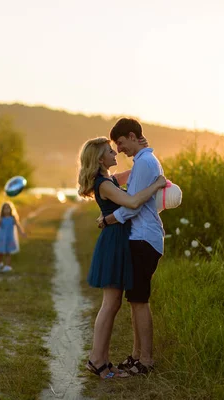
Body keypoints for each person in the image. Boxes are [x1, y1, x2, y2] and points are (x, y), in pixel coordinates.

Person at [77, 136, 166, 379]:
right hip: (114, 242)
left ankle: (102, 360)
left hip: (118, 240)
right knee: (110, 304)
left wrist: (142, 151)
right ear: (99, 158)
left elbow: (134, 173)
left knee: (113, 303)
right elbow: (134, 201)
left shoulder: (109, 179)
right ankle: (97, 360)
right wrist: (158, 184)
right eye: (109, 151)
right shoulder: (104, 184)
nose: (116, 153)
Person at [101, 117, 166, 375]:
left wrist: (108, 219)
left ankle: (146, 361)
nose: (119, 150)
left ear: (131, 135)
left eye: (120, 143)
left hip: (144, 239)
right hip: (141, 238)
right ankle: (137, 355)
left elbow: (132, 204)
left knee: (140, 301)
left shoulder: (146, 162)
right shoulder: (144, 161)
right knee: (135, 299)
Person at [0, 201, 26, 273]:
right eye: (5, 209)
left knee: (8, 252)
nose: (7, 210)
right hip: (1, 238)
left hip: (9, 238)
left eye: (8, 208)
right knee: (0, 253)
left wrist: (22, 233)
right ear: (2, 210)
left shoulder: (12, 218)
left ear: (11, 210)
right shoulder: (1, 218)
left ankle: (8, 266)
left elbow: (18, 226)